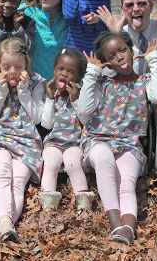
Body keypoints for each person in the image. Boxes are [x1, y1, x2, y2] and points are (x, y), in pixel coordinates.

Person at [78, 31, 157, 245]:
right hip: (98, 141)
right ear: (106, 62)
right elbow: (83, 110)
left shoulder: (143, 82)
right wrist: (92, 73)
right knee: (104, 156)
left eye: (122, 50)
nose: (118, 57)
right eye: (111, 56)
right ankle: (116, 223)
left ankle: (128, 228)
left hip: (129, 145)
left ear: (131, 50)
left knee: (126, 182)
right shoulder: (102, 84)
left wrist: (153, 60)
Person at [0, 38, 45, 245]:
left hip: (27, 143)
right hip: (0, 140)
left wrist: (24, 92)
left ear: (26, 65)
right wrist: (1, 93)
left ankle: (1, 229)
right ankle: (6, 224)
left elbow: (38, 118)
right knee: (3, 173)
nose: (13, 71)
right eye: (7, 67)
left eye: (18, 66)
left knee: (17, 181)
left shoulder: (35, 83)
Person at [39, 47, 95, 212]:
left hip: (74, 144)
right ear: (54, 70)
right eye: (60, 69)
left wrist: (75, 100)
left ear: (79, 78)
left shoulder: (80, 98)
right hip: (54, 143)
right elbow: (47, 125)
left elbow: (85, 122)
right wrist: (49, 100)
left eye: (71, 72)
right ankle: (48, 201)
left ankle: (83, 200)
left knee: (72, 163)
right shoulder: (52, 96)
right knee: (50, 163)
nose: (64, 74)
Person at [18, 0, 71, 81]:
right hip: (31, 88)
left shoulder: (73, 15)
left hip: (65, 90)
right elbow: (3, 38)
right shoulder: (25, 12)